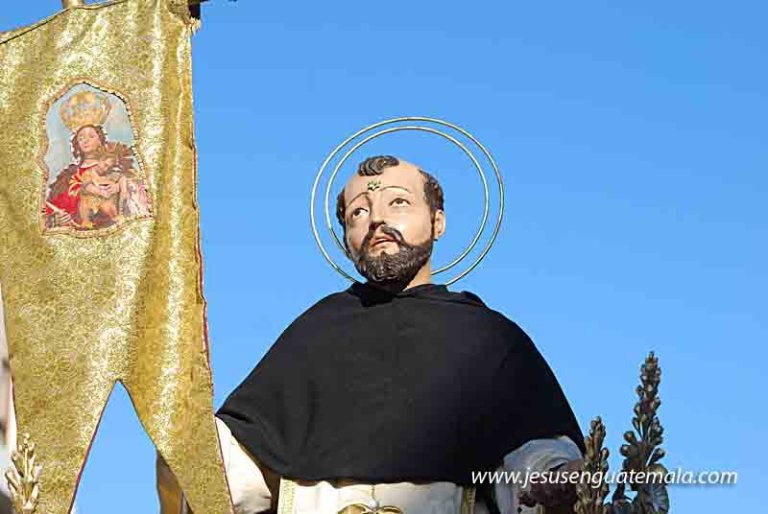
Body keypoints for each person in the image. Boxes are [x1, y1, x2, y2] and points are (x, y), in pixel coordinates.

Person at [158, 156, 585, 514]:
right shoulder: (317, 333)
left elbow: (533, 464)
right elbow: (240, 467)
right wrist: (185, 446)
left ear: (438, 222)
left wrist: (559, 480)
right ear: (346, 240)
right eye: (358, 212)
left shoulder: (489, 340)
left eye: (398, 202)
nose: (377, 218)